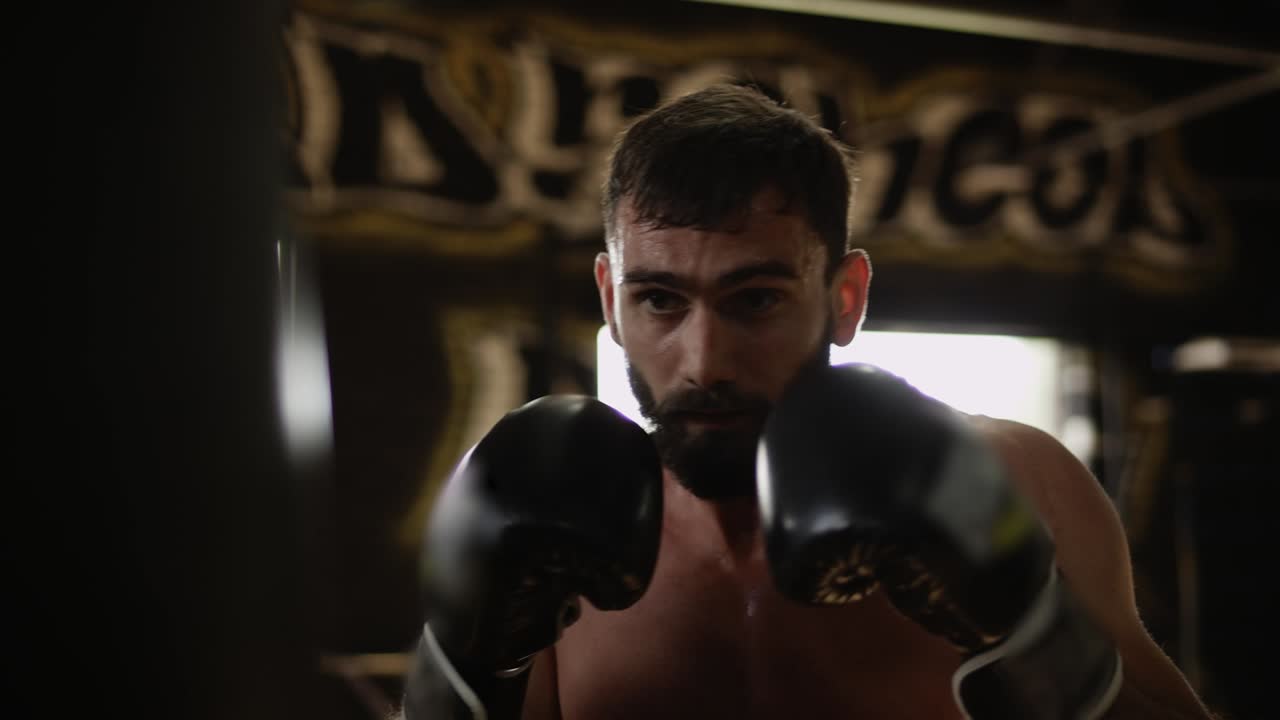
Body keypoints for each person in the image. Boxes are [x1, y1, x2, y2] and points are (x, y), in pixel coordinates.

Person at [403, 84, 1214, 719]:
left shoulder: (1020, 478)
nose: (704, 361)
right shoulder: (545, 517)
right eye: (659, 300)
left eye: (754, 299)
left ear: (845, 297)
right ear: (610, 299)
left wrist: (1031, 635)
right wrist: (468, 669)